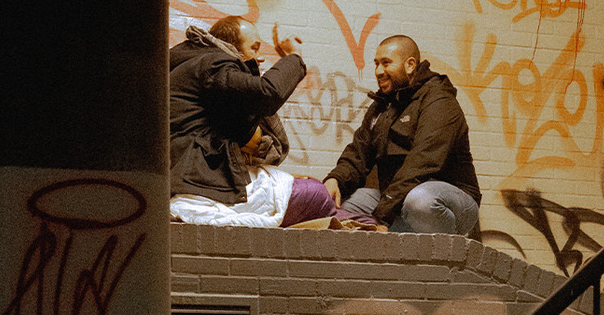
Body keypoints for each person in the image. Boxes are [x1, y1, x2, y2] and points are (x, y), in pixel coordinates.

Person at [323, 34, 481, 235]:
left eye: (386, 63)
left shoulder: (439, 101)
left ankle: (443, 261)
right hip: (401, 200)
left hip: (451, 203)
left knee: (421, 201)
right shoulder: (382, 107)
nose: (379, 71)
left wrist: (383, 216)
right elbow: (359, 153)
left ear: (410, 65)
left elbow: (421, 163)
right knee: (346, 204)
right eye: (376, 64)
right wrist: (335, 179)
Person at [169, 16, 306, 206]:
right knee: (314, 194)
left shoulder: (196, 64)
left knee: (296, 185)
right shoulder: (214, 65)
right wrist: (294, 57)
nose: (260, 58)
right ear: (232, 47)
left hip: (188, 174)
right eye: (254, 48)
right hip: (196, 178)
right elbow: (267, 93)